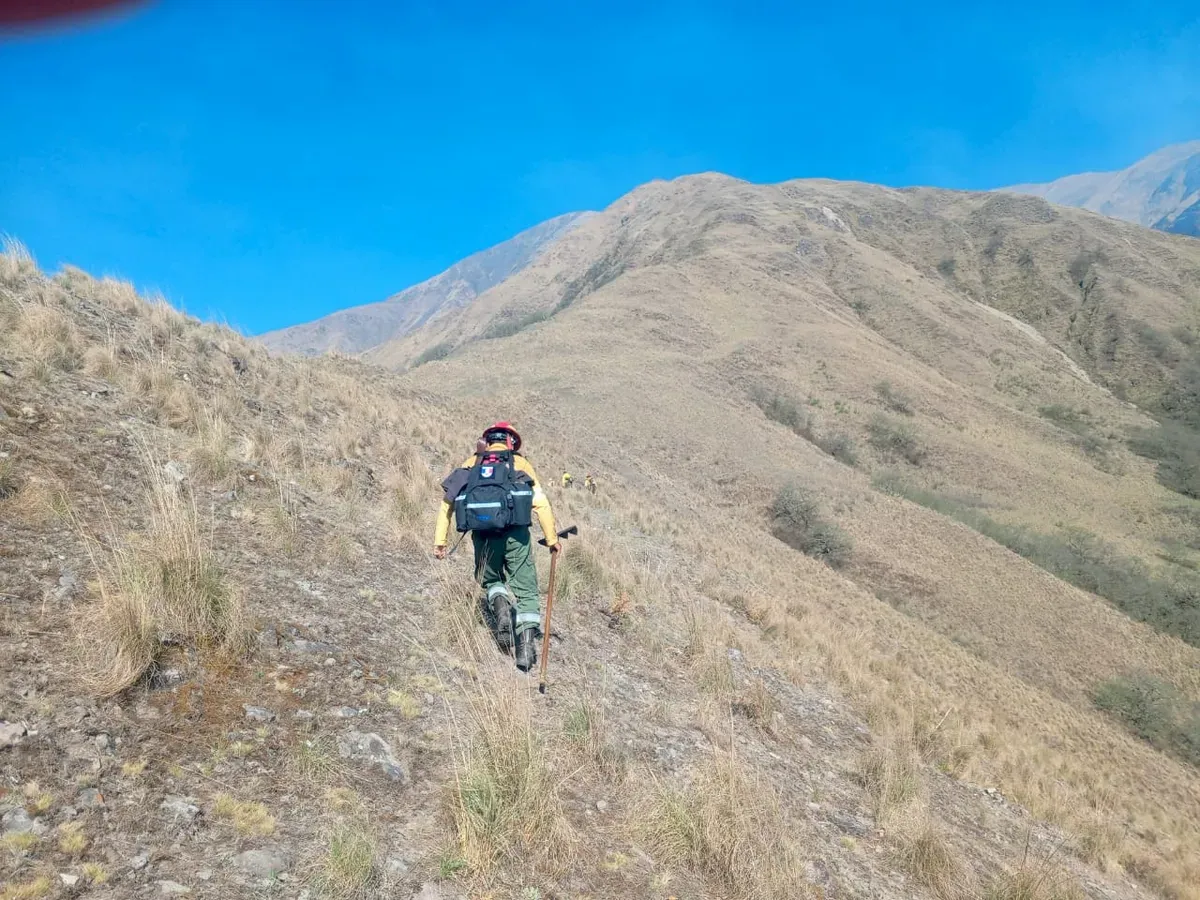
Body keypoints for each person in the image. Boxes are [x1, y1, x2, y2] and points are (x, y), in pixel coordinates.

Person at [434, 422, 560, 671]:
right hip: (516, 535)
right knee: (526, 590)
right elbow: (541, 503)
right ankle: (525, 650)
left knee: (490, 579)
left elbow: (447, 504)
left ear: (488, 440)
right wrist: (552, 539)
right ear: (511, 441)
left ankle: (501, 606)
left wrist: (440, 541)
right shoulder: (520, 464)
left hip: (483, 535)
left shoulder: (472, 463)